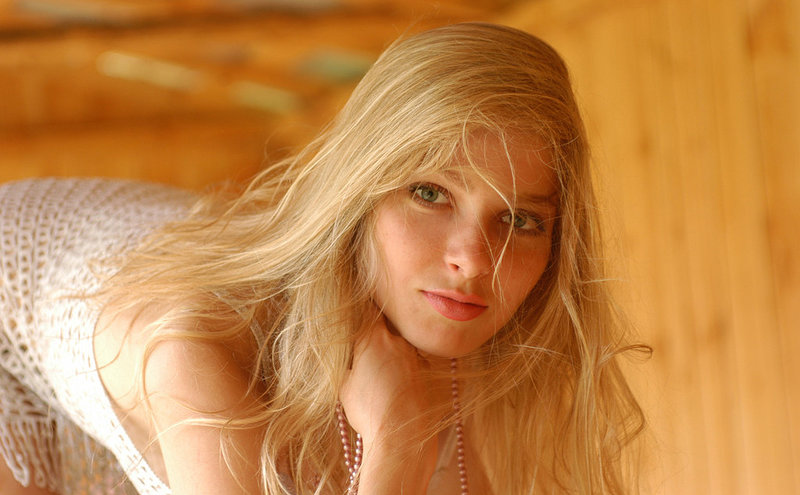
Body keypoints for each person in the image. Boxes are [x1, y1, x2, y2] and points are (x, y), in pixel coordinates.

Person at [0, 22, 647, 495]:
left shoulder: (453, 317)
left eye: (521, 219)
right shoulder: (199, 352)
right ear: (357, 193)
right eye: (430, 193)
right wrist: (396, 444)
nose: (474, 260)